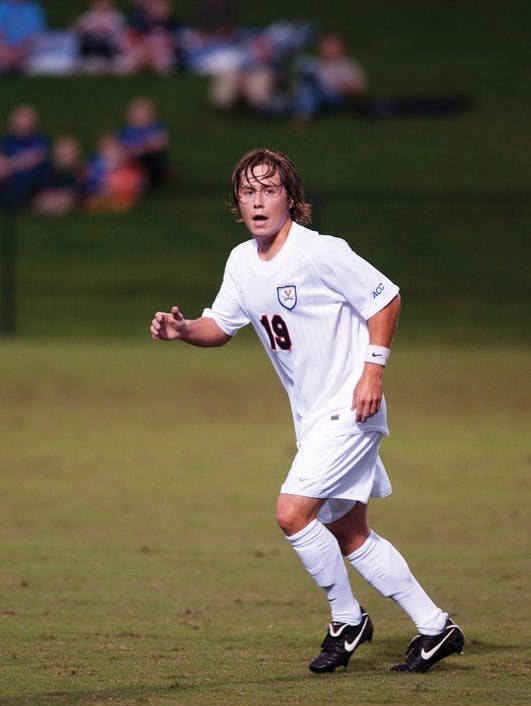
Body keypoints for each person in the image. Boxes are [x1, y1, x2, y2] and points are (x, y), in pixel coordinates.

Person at [150, 148, 465, 674]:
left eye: (269, 190)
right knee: (351, 535)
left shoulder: (320, 252)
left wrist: (372, 371)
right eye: (248, 191)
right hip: (313, 419)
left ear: (291, 199)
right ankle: (436, 627)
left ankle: (347, 620)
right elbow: (220, 326)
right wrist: (183, 331)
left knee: (292, 514)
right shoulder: (241, 263)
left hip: (352, 407)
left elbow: (385, 298)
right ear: (237, 203)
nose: (258, 201)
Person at [291, 32, 367, 123]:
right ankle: (304, 111)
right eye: (327, 47)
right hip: (315, 95)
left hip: (335, 98)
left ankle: (304, 115)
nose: (330, 50)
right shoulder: (315, 64)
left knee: (310, 85)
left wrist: (345, 87)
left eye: (333, 47)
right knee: (308, 82)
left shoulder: (347, 65)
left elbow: (359, 90)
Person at [0, 104, 50, 210]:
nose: (23, 121)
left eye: (26, 117)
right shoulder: (7, 141)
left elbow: (34, 158)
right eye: (20, 117)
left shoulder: (39, 140)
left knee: (25, 175)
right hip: (9, 180)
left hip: (34, 182)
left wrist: (10, 165)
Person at [117, 97, 170, 189]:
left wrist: (141, 148)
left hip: (150, 159)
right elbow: (121, 146)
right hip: (132, 158)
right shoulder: (126, 130)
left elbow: (160, 143)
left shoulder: (156, 127)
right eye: (139, 111)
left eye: (144, 111)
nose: (142, 115)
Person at [0, 0, 46, 74]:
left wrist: (19, 53)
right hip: (5, 50)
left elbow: (34, 37)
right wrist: (7, 54)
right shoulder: (2, 7)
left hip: (25, 50)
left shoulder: (33, 9)